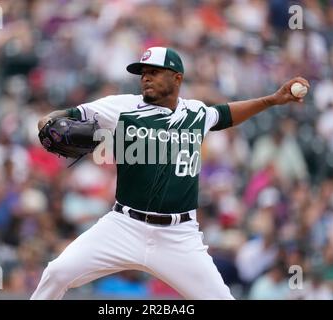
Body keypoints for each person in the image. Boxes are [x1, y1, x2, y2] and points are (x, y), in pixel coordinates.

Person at [30, 47, 309, 300]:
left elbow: (225, 114)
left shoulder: (196, 113)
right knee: (57, 273)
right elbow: (66, 115)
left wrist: (272, 100)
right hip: (123, 226)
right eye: (143, 73)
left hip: (179, 236)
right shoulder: (122, 107)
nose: (145, 78)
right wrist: (49, 120)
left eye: (154, 72)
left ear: (177, 78)